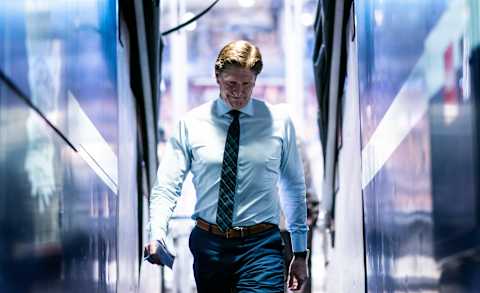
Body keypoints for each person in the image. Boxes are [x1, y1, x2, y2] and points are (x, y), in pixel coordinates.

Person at [145, 40, 309, 292]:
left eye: (247, 85)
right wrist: (157, 233)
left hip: (261, 246)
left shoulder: (279, 122)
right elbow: (167, 187)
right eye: (232, 84)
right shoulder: (191, 124)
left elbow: (293, 187)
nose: (239, 93)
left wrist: (300, 252)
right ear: (217, 77)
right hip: (209, 247)